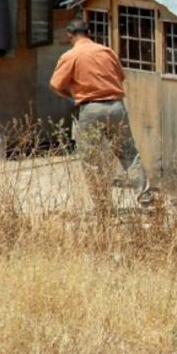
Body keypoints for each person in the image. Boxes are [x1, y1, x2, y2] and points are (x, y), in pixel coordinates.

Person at [49, 19, 154, 211]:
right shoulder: (107, 51)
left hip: (90, 109)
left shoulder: (70, 55)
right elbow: (120, 77)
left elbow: (56, 85)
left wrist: (71, 97)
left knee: (92, 160)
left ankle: (103, 207)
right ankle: (146, 201)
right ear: (89, 32)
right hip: (116, 106)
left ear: (69, 35)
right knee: (129, 154)